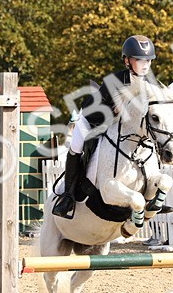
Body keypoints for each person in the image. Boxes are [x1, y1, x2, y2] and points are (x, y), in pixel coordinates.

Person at [54, 35, 161, 218]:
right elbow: (94, 111)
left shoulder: (151, 84)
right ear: (127, 61)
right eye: (139, 59)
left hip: (126, 131)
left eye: (148, 60)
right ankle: (68, 196)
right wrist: (115, 112)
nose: (145, 64)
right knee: (77, 146)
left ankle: (154, 196)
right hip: (92, 120)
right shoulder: (115, 81)